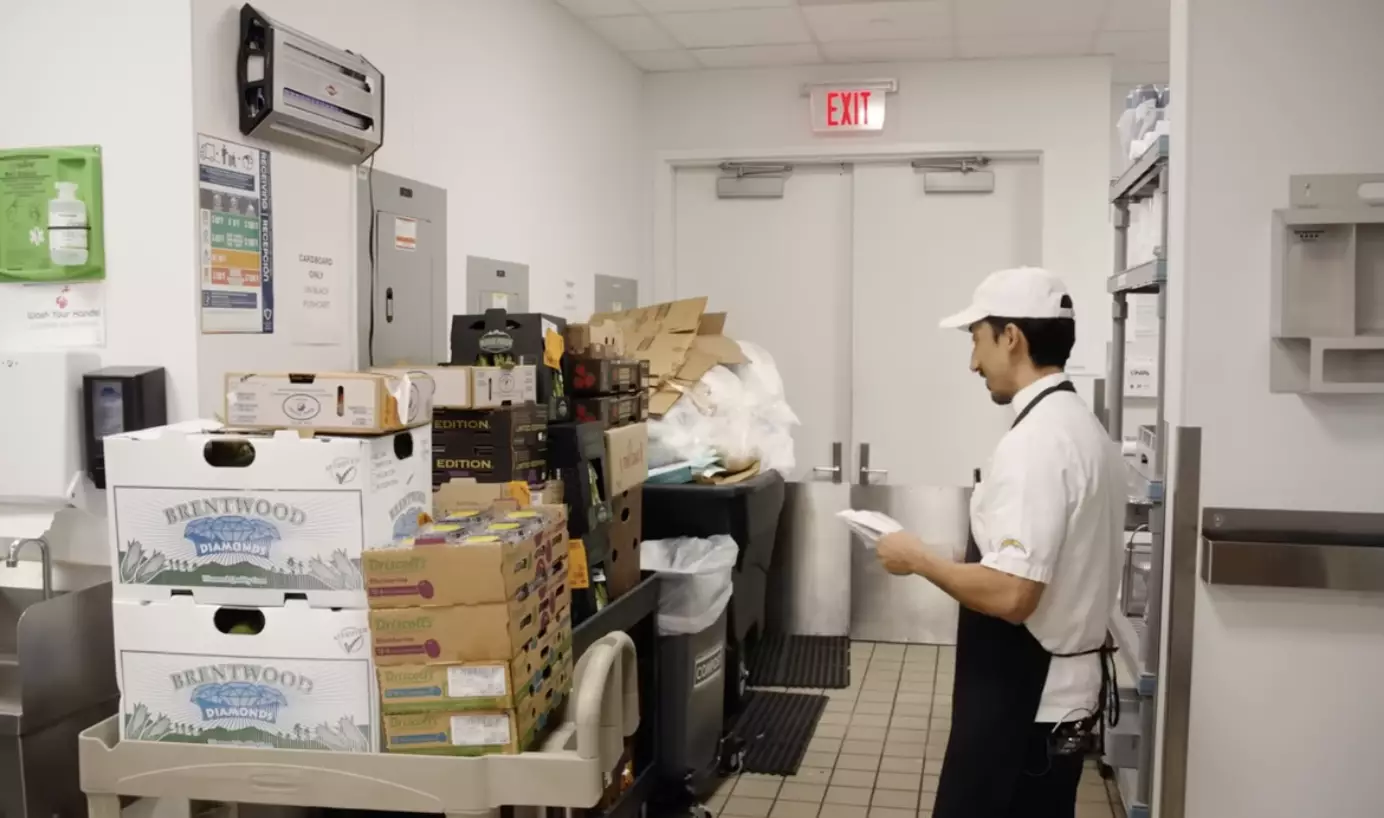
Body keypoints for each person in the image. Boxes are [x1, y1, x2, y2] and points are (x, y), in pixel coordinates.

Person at [875, 266, 1124, 818]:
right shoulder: (1081, 427)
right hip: (1054, 696)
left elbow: (1014, 594)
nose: (972, 363)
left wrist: (917, 559)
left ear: (1011, 337)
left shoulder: (1038, 443)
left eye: (976, 340)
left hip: (1025, 703)